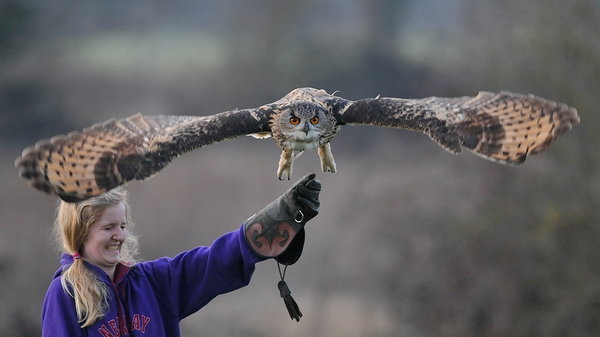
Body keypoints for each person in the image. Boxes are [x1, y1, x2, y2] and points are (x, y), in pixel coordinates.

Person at [41, 173, 321, 337]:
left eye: (123, 226)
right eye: (108, 227)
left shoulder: (151, 282)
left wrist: (276, 221)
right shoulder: (65, 293)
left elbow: (212, 264)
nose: (120, 235)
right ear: (80, 232)